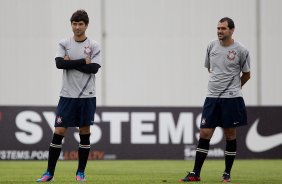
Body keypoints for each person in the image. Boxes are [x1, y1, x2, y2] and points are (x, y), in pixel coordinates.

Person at [179, 17, 250, 183]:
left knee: (230, 134)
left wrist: (234, 88)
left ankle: (226, 173)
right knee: (204, 132)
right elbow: (211, 69)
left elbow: (247, 74)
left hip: (231, 99)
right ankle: (195, 173)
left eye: (223, 28)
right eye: (218, 28)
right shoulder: (211, 46)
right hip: (212, 98)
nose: (219, 31)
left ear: (232, 30)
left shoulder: (241, 50)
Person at [36, 9, 101, 182]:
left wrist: (69, 62)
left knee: (84, 131)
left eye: (80, 24)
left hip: (87, 95)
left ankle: (80, 172)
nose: (77, 27)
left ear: (86, 25)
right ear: (71, 25)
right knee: (58, 131)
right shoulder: (64, 43)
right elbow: (59, 64)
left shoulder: (93, 45)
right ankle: (49, 173)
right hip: (67, 96)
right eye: (74, 23)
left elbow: (94, 68)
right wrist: (81, 62)